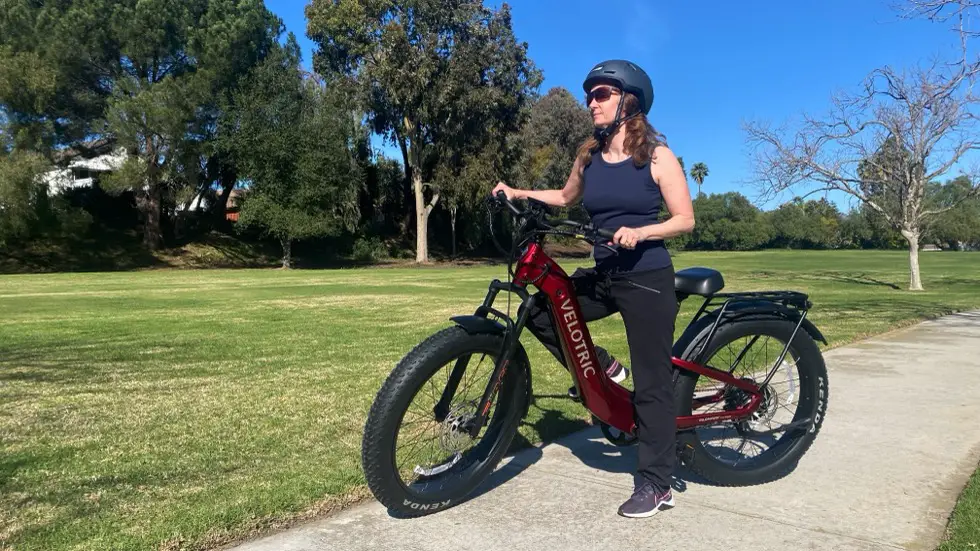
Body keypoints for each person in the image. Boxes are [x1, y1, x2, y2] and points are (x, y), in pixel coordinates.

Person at [491, 59, 695, 518]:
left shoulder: (658, 156)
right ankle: (600, 363)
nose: (591, 103)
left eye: (601, 94)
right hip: (604, 274)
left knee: (653, 384)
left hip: (645, 276)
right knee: (544, 311)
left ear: (629, 101)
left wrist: (641, 232)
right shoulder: (589, 157)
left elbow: (685, 219)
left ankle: (656, 482)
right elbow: (565, 198)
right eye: (590, 96)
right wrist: (518, 193)